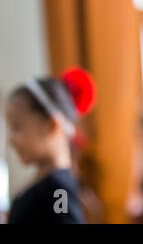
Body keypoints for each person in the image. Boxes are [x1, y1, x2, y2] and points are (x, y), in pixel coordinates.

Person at [6, 67, 96, 224]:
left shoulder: (59, 189)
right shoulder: (50, 183)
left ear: (51, 125)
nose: (11, 140)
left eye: (17, 127)